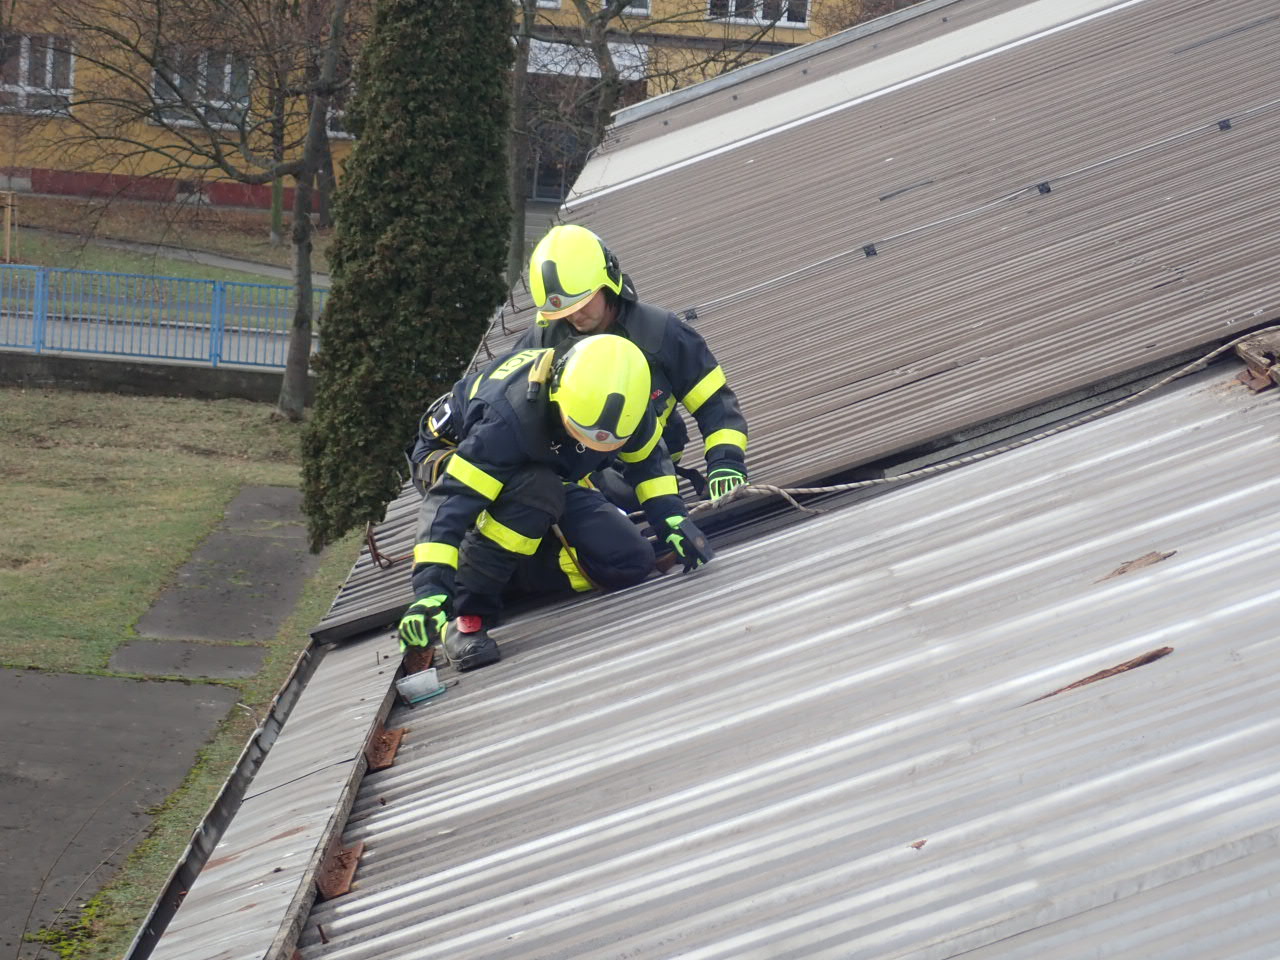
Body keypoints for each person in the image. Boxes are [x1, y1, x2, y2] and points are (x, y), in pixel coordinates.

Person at [398, 334, 714, 671]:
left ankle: (504, 573)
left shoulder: (628, 402)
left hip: (541, 462)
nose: (586, 445)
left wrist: (672, 521)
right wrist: (431, 589)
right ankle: (467, 614)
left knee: (630, 560)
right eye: (577, 433)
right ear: (558, 396)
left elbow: (648, 464)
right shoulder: (508, 420)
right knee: (537, 488)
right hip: (450, 456)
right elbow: (449, 504)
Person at [515, 223, 750, 505]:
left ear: (608, 283)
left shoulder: (660, 332)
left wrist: (726, 461)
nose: (575, 316)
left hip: (652, 459)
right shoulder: (540, 344)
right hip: (578, 470)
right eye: (564, 311)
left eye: (583, 303)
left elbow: (715, 403)